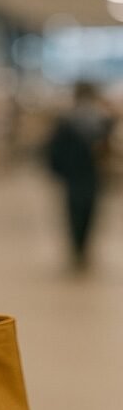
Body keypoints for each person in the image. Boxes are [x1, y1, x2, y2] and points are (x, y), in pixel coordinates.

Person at [45, 81, 115, 271]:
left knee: (74, 213)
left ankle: (77, 250)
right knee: (90, 212)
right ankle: (83, 249)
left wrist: (58, 171)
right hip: (93, 175)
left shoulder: (66, 120)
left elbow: (55, 150)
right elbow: (109, 151)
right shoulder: (102, 120)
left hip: (73, 175)